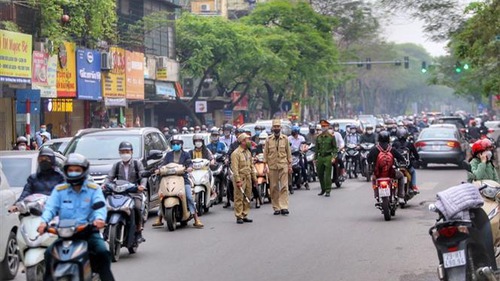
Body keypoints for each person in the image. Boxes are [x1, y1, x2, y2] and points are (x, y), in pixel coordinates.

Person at [37, 153, 115, 281]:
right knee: (48, 254)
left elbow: (100, 207)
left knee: (103, 252)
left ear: (84, 171)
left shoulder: (94, 189)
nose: (73, 173)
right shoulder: (59, 190)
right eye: (70, 170)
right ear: (66, 171)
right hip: (65, 235)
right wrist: (43, 223)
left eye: (77, 170)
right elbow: (50, 208)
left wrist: (99, 219)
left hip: (88, 233)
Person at [153, 136, 204, 228]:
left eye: (177, 143)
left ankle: (196, 218)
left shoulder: (186, 154)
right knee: (161, 195)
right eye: (173, 144)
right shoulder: (168, 155)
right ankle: (159, 218)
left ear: (181, 144)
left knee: (188, 196)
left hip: (182, 178)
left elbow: (189, 163)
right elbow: (163, 164)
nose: (175, 145)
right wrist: (158, 169)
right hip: (168, 179)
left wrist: (189, 167)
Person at [104, 141, 147, 243]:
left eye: (127, 151)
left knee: (136, 208)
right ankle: (106, 230)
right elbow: (109, 177)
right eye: (122, 152)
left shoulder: (137, 164)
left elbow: (143, 177)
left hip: (134, 193)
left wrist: (142, 186)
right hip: (120, 193)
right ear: (119, 153)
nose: (125, 154)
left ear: (131, 152)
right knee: (108, 207)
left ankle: (138, 231)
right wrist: (104, 185)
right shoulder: (117, 165)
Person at [8, 148, 65, 212]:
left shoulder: (60, 178)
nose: (43, 161)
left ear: (52, 160)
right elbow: (26, 192)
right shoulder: (33, 178)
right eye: (41, 159)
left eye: (46, 159)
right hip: (35, 212)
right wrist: (17, 205)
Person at [367, 131, 406, 203]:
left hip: (378, 175)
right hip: (391, 174)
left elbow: (368, 160)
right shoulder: (392, 149)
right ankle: (401, 196)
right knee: (401, 176)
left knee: (374, 180)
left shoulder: (374, 150)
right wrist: (403, 162)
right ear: (388, 139)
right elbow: (401, 158)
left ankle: (377, 195)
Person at [264, 119, 292, 215]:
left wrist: (290, 165)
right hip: (272, 166)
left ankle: (284, 207)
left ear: (280, 128)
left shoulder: (285, 139)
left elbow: (289, 152)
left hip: (283, 164)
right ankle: (276, 207)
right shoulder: (268, 139)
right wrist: (265, 165)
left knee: (284, 186)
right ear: (272, 128)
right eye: (275, 127)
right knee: (274, 187)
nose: (276, 128)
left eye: (278, 127)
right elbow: (265, 153)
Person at [231, 133, 257, 224]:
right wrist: (238, 180)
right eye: (247, 140)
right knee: (239, 197)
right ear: (242, 141)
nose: (249, 141)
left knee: (247, 196)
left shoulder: (248, 152)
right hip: (240, 178)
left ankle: (245, 214)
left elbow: (251, 166)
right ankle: (239, 216)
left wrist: (254, 178)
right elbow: (235, 169)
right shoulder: (236, 153)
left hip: (248, 177)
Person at [315, 120, 338, 197]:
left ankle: (328, 190)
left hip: (328, 157)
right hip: (320, 157)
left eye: (325, 126)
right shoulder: (318, 137)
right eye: (322, 126)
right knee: (320, 174)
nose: (323, 128)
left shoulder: (331, 137)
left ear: (327, 127)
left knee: (327, 175)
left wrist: (334, 157)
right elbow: (316, 149)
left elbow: (335, 148)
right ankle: (323, 189)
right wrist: (315, 158)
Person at [392, 128, 420, 193]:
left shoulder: (394, 144)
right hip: (407, 166)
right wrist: (418, 159)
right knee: (413, 172)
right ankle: (413, 186)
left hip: (397, 166)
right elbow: (416, 155)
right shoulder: (410, 144)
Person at [288, 125, 309, 190]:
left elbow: (304, 146)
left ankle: (306, 182)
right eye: (294, 132)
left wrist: (303, 149)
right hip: (290, 155)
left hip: (299, 155)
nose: (295, 134)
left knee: (302, 167)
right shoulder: (288, 138)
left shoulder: (301, 138)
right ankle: (289, 183)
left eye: (296, 132)